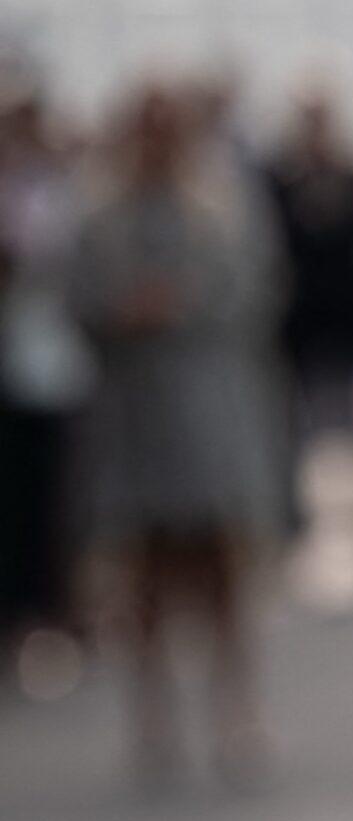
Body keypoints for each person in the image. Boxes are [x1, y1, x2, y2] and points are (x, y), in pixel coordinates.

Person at [71, 80, 282, 784]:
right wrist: (122, 310)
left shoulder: (220, 208)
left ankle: (237, 714)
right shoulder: (102, 218)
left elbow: (256, 291)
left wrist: (181, 305)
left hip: (208, 412)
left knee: (223, 572)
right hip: (137, 418)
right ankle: (153, 723)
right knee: (145, 578)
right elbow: (78, 297)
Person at [264, 85, 353, 583]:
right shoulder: (279, 180)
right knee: (300, 439)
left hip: (348, 327)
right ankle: (303, 534)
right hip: (302, 330)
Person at [0, 72, 91, 662]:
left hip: (56, 363)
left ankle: (59, 609)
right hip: (14, 364)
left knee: (59, 493)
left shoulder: (62, 191)